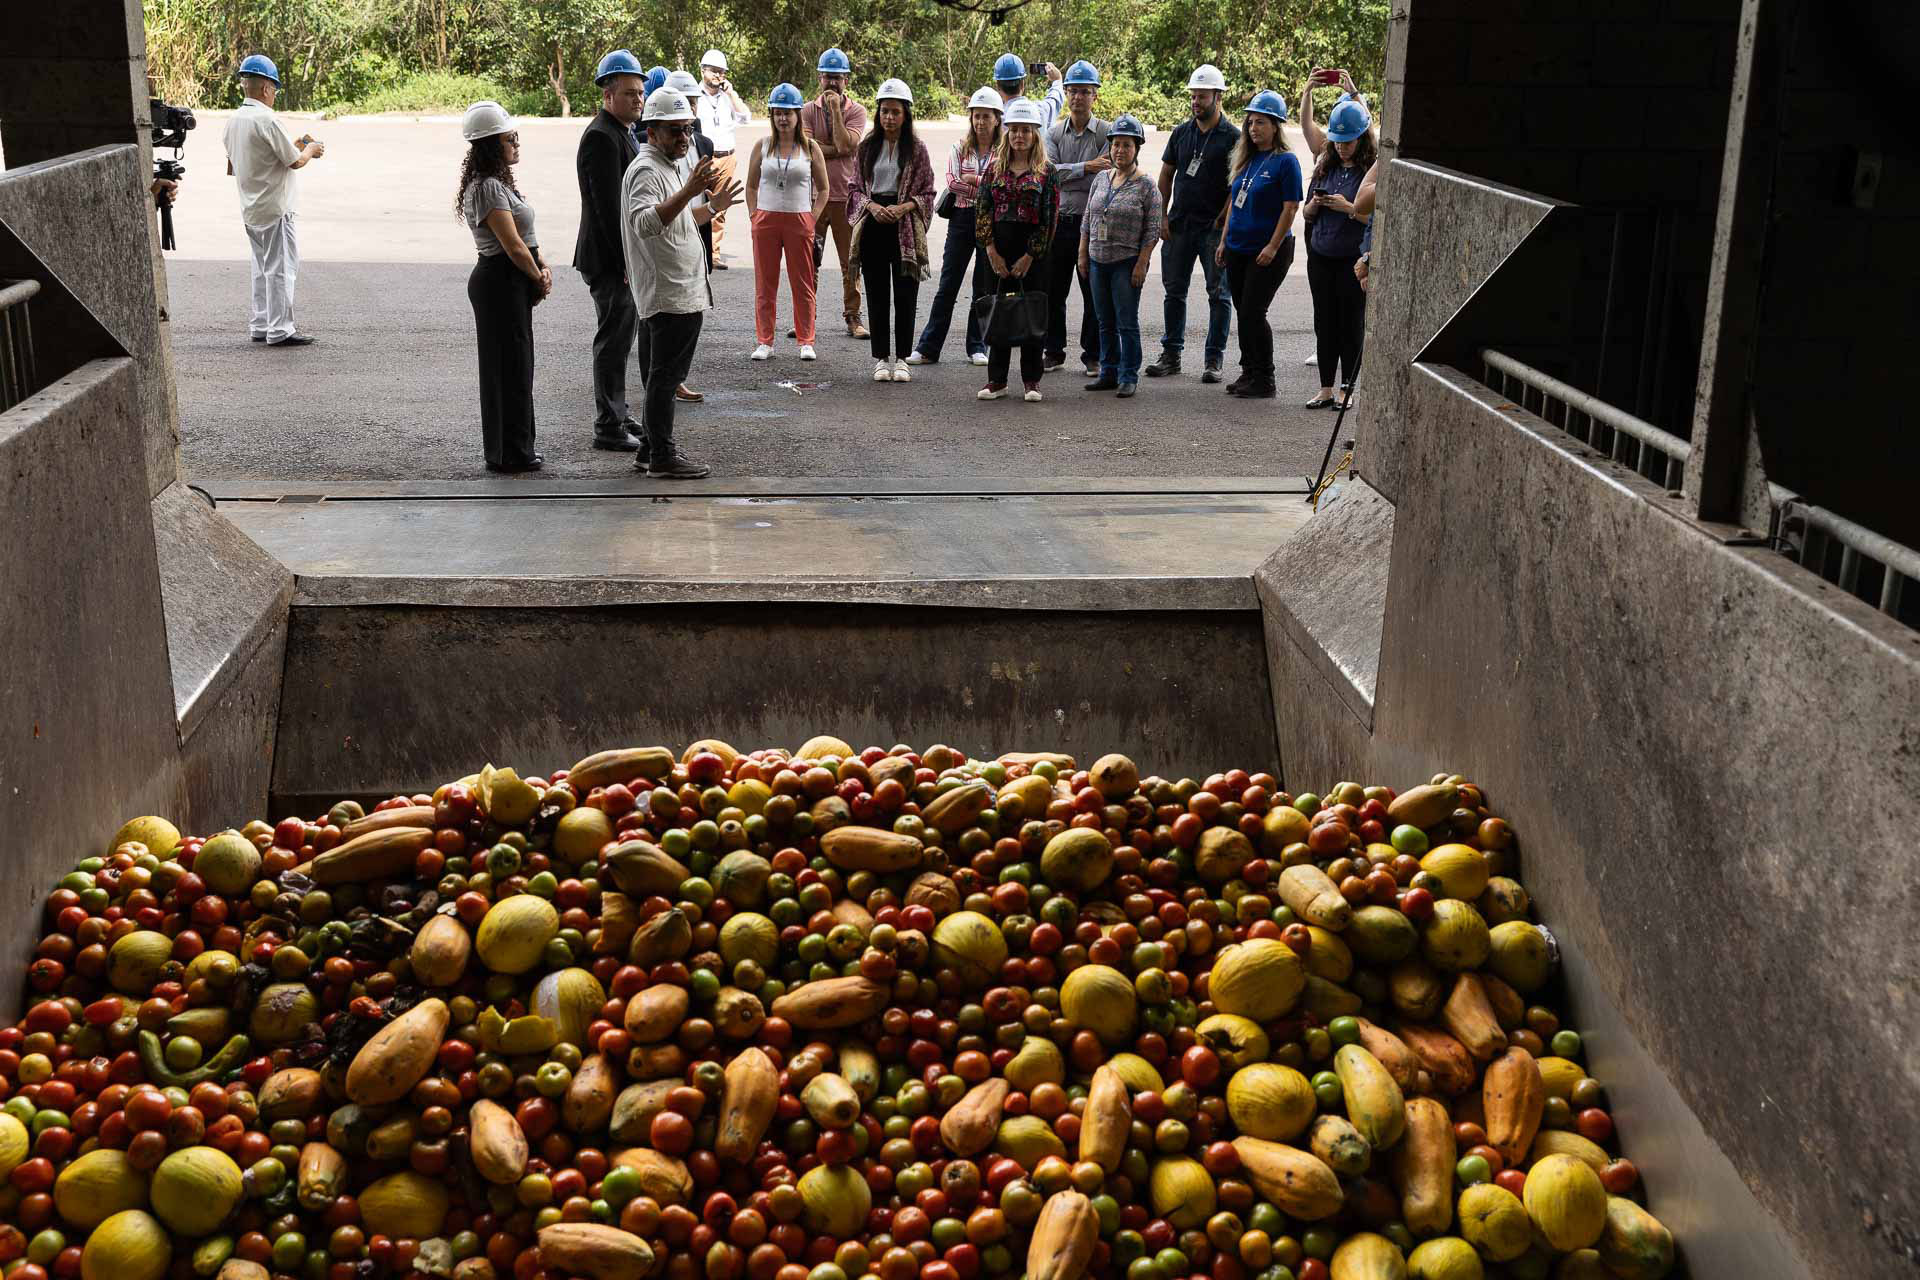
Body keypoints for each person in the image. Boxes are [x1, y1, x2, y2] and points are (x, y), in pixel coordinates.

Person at [621, 88, 743, 478]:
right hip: (668, 294)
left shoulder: (668, 167)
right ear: (651, 132)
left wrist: (710, 207)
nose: (684, 139)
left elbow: (681, 223)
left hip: (681, 291)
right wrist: (690, 191)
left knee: (663, 376)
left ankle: (649, 450)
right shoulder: (646, 170)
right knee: (665, 379)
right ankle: (662, 457)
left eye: (687, 130)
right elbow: (645, 224)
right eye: (675, 131)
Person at [457, 101, 549, 474]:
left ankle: (516, 447)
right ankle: (507, 453)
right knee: (505, 368)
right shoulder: (487, 188)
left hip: (511, 278)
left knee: (517, 365)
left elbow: (525, 239)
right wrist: (536, 276)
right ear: (492, 144)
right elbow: (512, 245)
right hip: (500, 279)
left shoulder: (497, 184)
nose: (516, 144)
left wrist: (540, 266)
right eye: (511, 138)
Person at [573, 50, 647, 454]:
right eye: (630, 93)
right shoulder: (602, 136)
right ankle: (608, 424)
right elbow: (607, 208)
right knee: (612, 340)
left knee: (621, 338)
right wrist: (625, 264)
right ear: (608, 95)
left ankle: (617, 412)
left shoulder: (621, 131)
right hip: (608, 259)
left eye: (640, 93)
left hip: (617, 258)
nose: (639, 99)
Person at [222, 54, 325, 347]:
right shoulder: (268, 119)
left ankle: (261, 323)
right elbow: (295, 162)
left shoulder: (233, 121)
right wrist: (311, 149)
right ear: (267, 87)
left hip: (250, 208)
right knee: (281, 268)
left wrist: (292, 150)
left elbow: (235, 165)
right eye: (275, 89)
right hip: (276, 208)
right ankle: (281, 329)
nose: (275, 95)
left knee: (260, 269)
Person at [1144, 64, 1237, 384]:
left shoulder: (1233, 137)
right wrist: (1162, 215)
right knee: (1174, 292)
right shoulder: (1181, 133)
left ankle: (1214, 360)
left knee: (1219, 295)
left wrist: (1224, 220)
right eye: (1193, 96)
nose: (1196, 101)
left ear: (1218, 96)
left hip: (1212, 229)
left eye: (1202, 96)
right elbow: (1166, 176)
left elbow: (1236, 184)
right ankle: (1171, 355)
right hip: (1180, 225)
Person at [1215, 91, 1302, 400]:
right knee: (1243, 312)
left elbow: (1290, 207)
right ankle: (1249, 370)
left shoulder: (1285, 162)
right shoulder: (1247, 160)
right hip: (1237, 247)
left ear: (1276, 126)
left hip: (1267, 251)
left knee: (1254, 311)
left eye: (1261, 123)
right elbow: (1234, 206)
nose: (1254, 129)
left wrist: (1273, 245)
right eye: (1251, 123)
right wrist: (1224, 240)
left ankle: (1265, 378)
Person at [847, 80, 935, 383]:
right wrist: (871, 207)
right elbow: (855, 188)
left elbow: (928, 191)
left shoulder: (918, 149)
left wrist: (904, 207)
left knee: (906, 295)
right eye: (885, 111)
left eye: (895, 112)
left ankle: (902, 359)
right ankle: (881, 358)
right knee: (876, 293)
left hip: (905, 227)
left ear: (906, 114)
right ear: (878, 113)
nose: (889, 118)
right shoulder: (867, 147)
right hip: (873, 223)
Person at [908, 87, 1001, 367]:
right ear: (970, 118)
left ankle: (977, 346)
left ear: (997, 119)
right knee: (948, 285)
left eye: (986, 116)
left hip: (991, 223)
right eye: (976, 116)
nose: (981, 122)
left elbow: (1002, 186)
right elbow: (952, 181)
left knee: (983, 287)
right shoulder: (959, 147)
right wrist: (984, 183)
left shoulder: (1005, 149)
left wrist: (974, 181)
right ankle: (928, 348)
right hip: (961, 221)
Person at [974, 98, 1058, 403]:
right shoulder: (993, 169)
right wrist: (991, 251)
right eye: (1014, 130)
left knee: (1031, 312)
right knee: (999, 311)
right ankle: (996, 380)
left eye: (1026, 130)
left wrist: (1030, 256)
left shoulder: (1047, 172)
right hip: (997, 248)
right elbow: (982, 211)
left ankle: (1031, 380)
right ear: (1007, 133)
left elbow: (1049, 219)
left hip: (1032, 253)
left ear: (1035, 134)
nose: (1019, 135)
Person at [1079, 114, 1161, 397]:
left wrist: (1142, 263)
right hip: (1097, 260)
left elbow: (1152, 229)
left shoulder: (1147, 185)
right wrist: (1082, 255)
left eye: (1126, 145)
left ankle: (1128, 375)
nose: (1120, 151)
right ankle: (1108, 372)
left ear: (1137, 148)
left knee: (1126, 322)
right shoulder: (1101, 178)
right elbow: (1088, 217)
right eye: (1116, 145)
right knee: (1105, 321)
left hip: (1126, 264)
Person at [745, 83, 828, 361]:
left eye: (788, 113)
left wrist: (811, 218)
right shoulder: (763, 145)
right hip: (766, 220)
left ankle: (806, 340)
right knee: (765, 284)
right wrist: (754, 214)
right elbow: (751, 186)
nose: (783, 119)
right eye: (778, 113)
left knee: (802, 283)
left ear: (797, 115)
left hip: (799, 220)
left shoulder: (810, 148)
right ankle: (764, 341)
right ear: (771, 115)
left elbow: (824, 188)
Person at [1301, 98, 1375, 408]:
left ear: (1361, 139)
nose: (1343, 147)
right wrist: (1316, 205)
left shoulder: (1369, 172)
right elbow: (1304, 214)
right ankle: (1326, 387)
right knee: (1325, 322)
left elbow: (1374, 218)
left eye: (1349, 141)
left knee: (1350, 323)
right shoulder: (1324, 167)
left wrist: (1349, 209)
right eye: (1338, 141)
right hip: (1321, 255)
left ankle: (1348, 388)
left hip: (1351, 258)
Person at [1043, 60, 1109, 376]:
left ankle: (1092, 355)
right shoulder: (1054, 133)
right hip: (1060, 222)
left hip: (1093, 224)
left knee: (1092, 291)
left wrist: (1083, 172)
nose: (1078, 97)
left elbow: (1107, 175)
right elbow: (1049, 174)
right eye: (1073, 91)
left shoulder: (1107, 132)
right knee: (1054, 291)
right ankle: (1053, 351)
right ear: (1066, 93)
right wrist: (1086, 167)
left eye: (1085, 91)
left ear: (1095, 95)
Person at [800, 49, 870, 339]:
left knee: (850, 262)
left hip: (845, 198)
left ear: (846, 80)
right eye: (827, 77)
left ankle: (853, 317)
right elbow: (804, 147)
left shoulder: (856, 111)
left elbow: (846, 145)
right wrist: (835, 148)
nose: (832, 83)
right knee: (808, 261)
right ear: (819, 78)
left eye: (837, 78)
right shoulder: (806, 110)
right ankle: (805, 319)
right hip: (813, 197)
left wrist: (836, 113)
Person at [663, 70, 716, 405]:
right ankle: (664, 379)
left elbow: (706, 182)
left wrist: (714, 200)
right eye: (686, 102)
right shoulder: (657, 140)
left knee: (694, 303)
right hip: (672, 226)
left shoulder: (703, 141)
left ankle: (677, 376)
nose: (691, 110)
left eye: (694, 102)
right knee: (671, 311)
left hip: (700, 223)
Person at [694, 50, 752, 268]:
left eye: (722, 72)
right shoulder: (695, 95)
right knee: (698, 202)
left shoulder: (728, 97)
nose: (719, 76)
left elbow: (745, 117)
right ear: (703, 71)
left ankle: (714, 254)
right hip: (703, 158)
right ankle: (697, 250)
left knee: (720, 207)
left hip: (726, 157)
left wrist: (732, 95)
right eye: (714, 71)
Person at [990, 54, 1065, 129]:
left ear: (998, 86)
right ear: (1022, 84)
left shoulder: (995, 121)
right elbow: (1054, 100)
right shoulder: (1041, 110)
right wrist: (1057, 80)